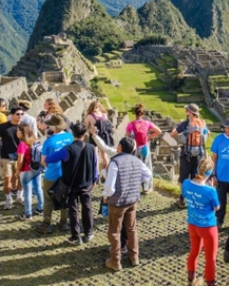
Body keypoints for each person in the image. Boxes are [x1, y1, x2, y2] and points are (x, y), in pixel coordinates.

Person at [44, 123, 99, 245]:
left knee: (73, 210)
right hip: (86, 183)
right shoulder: (91, 148)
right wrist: (95, 179)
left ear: (72, 134)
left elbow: (48, 159)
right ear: (84, 135)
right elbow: (95, 165)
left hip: (71, 185)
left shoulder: (67, 150)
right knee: (87, 207)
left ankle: (76, 237)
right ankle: (89, 232)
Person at [103, 137, 152, 271]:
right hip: (132, 200)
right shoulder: (137, 161)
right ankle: (134, 257)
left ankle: (115, 260)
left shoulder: (115, 162)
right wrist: (136, 182)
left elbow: (110, 184)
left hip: (118, 201)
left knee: (114, 231)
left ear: (120, 147)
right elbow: (148, 174)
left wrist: (106, 196)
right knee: (131, 229)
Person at [183, 156, 220, 286]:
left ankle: (191, 281)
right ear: (210, 173)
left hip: (192, 224)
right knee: (210, 258)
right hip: (208, 227)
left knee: (194, 253)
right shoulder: (210, 191)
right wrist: (211, 188)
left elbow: (186, 196)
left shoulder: (187, 183)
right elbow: (216, 207)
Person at [36, 114, 74, 234]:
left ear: (53, 127)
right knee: (65, 198)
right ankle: (64, 223)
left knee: (48, 200)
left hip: (52, 175)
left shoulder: (49, 141)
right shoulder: (70, 137)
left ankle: (47, 224)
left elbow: (43, 161)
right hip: (67, 174)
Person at [170, 103, 208, 208]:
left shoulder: (186, 123)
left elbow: (172, 134)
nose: (185, 112)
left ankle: (182, 200)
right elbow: (207, 134)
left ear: (190, 113)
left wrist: (178, 125)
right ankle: (194, 200)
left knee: (183, 178)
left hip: (186, 155)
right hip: (199, 155)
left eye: (186, 110)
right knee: (195, 177)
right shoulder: (202, 123)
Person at [125, 104, 162, 194]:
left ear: (134, 113)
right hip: (145, 148)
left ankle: (135, 187)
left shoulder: (130, 124)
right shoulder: (147, 123)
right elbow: (159, 131)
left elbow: (127, 136)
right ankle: (147, 188)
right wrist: (149, 137)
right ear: (143, 113)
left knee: (135, 168)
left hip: (134, 148)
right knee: (147, 167)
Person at [16, 123, 44, 220]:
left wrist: (17, 171)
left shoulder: (22, 144)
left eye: (18, 131)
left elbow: (20, 160)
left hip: (26, 170)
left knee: (27, 192)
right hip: (36, 169)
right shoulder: (35, 140)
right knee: (38, 188)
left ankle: (28, 214)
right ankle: (41, 208)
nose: (16, 133)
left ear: (21, 132)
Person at [0, 107, 23, 209]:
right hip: (6, 157)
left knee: (21, 179)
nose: (20, 116)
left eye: (22, 114)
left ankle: (19, 197)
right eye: (18, 114)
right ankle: (9, 200)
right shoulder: (3, 127)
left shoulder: (24, 127)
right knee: (7, 179)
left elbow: (29, 141)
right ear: (12, 115)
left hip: (21, 157)